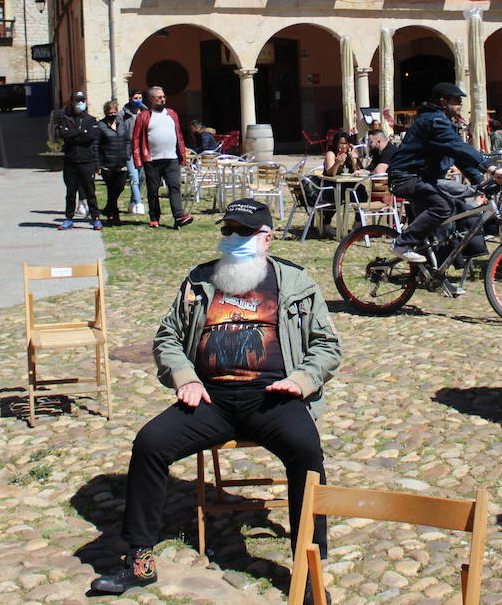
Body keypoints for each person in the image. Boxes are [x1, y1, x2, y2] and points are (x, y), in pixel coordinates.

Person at [89, 200, 341, 599]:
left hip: (273, 396)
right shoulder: (201, 280)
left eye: (243, 233)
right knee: (150, 443)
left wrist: (303, 380)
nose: (232, 239)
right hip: (211, 398)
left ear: (265, 239)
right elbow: (167, 337)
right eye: (228, 230)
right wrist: (185, 378)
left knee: (306, 452)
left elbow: (327, 346)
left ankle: (310, 566)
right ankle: (138, 558)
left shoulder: (294, 283)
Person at [386, 82, 502, 263]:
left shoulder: (439, 122)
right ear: (443, 102)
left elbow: (457, 155)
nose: (460, 105)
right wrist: (490, 167)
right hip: (406, 177)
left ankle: (433, 275)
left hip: (420, 178)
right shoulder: (434, 122)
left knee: (437, 226)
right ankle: (401, 243)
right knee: (444, 207)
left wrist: (479, 181)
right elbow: (458, 147)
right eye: (457, 101)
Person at [131, 86, 192, 229]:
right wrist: (138, 160)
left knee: (174, 187)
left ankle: (179, 217)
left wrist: (182, 155)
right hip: (151, 160)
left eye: (163, 96)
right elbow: (136, 139)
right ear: (151, 99)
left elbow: (179, 136)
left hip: (171, 158)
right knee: (153, 190)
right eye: (159, 97)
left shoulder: (172, 114)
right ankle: (154, 217)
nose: (162, 99)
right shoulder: (144, 116)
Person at [54, 90, 102, 230]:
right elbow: (64, 135)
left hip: (87, 161)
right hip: (71, 161)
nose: (80, 103)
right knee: (70, 192)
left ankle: (96, 218)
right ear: (72, 102)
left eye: (82, 100)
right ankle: (69, 218)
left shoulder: (91, 120)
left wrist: (75, 135)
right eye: (77, 101)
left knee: (90, 191)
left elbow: (90, 137)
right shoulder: (66, 119)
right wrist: (80, 132)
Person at [95, 99, 131, 225]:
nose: (113, 114)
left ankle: (108, 208)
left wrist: (127, 153)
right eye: (110, 112)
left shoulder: (122, 124)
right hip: (107, 163)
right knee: (111, 189)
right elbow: (96, 146)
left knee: (119, 187)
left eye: (115, 112)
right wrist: (98, 164)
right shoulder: (100, 126)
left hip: (121, 162)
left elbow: (127, 140)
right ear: (106, 113)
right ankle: (114, 215)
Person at [119, 90, 146, 216]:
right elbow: (120, 132)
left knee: (141, 177)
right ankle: (139, 203)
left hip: (142, 148)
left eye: (140, 98)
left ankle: (132, 202)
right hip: (129, 148)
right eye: (135, 98)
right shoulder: (123, 114)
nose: (138, 100)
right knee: (133, 177)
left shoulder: (145, 113)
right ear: (130, 98)